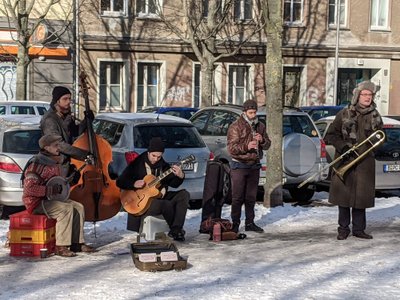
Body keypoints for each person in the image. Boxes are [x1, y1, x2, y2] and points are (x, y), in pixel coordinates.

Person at [325, 80, 383, 240]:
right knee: (344, 197)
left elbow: (381, 136)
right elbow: (330, 135)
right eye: (364, 94)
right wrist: (343, 146)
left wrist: (374, 144)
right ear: (357, 96)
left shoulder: (375, 115)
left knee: (361, 198)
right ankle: (343, 229)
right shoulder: (344, 113)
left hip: (365, 163)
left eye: (370, 94)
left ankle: (359, 229)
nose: (367, 97)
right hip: (345, 160)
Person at [22, 134, 95, 257]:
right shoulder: (36, 164)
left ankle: (77, 243)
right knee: (65, 210)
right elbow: (29, 189)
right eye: (55, 145)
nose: (58, 148)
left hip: (50, 199)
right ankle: (61, 246)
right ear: (46, 147)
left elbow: (57, 181)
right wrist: (50, 190)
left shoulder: (53, 162)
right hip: (36, 202)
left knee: (78, 206)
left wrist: (69, 180)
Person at [116, 137, 189, 241]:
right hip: (142, 202)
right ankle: (176, 230)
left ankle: (176, 229)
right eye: (153, 156)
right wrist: (134, 183)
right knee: (165, 204)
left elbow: (174, 184)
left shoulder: (163, 166)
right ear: (148, 152)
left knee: (184, 195)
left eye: (159, 157)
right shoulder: (138, 163)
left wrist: (180, 175)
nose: (155, 159)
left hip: (159, 197)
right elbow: (120, 181)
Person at [227, 99, 271, 233]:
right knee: (237, 197)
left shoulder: (260, 126)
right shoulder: (236, 126)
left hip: (254, 164)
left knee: (251, 196)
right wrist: (246, 146)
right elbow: (231, 148)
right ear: (244, 112)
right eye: (250, 113)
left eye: (255, 112)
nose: (253, 115)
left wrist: (262, 140)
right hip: (239, 164)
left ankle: (250, 222)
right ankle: (235, 223)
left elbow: (268, 144)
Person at [40, 86, 93, 173]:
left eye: (69, 99)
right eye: (65, 99)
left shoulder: (66, 116)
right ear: (57, 101)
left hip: (67, 164)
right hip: (55, 166)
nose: (68, 102)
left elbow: (74, 134)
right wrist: (84, 154)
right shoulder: (50, 120)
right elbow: (59, 145)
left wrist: (86, 121)